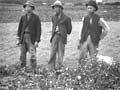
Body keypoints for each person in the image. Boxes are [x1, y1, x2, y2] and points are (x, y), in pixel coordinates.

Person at [78, 0, 110, 65]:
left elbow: (107, 29)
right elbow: (81, 29)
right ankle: (82, 70)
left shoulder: (99, 19)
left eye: (91, 8)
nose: (89, 9)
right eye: (88, 8)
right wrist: (79, 39)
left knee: (93, 58)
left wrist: (100, 37)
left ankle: (94, 71)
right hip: (84, 39)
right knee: (82, 56)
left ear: (94, 9)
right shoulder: (85, 18)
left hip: (94, 41)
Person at [17, 0, 41, 71]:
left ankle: (33, 69)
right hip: (23, 37)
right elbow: (19, 29)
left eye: (29, 7)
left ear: (32, 8)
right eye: (26, 7)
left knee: (32, 55)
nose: (27, 8)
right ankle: (23, 69)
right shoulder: (23, 17)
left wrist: (37, 41)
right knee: (22, 55)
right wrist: (18, 39)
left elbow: (38, 30)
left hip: (31, 38)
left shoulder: (36, 17)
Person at [48, 0, 72, 70]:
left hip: (62, 37)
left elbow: (69, 30)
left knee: (61, 53)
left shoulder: (67, 18)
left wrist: (62, 31)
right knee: (52, 52)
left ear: (60, 8)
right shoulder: (53, 17)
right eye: (54, 7)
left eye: (56, 7)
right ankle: (51, 68)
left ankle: (59, 68)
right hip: (54, 36)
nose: (55, 9)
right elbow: (53, 25)